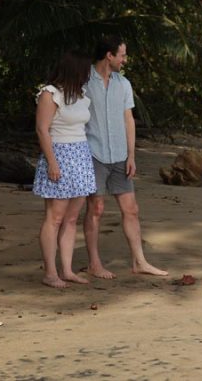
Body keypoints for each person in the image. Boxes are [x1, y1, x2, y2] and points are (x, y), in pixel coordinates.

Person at [83, 36, 167, 278]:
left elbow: (128, 120)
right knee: (96, 209)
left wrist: (131, 155)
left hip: (120, 155)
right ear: (109, 55)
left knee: (131, 209)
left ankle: (139, 262)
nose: (125, 59)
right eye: (122, 55)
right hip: (93, 154)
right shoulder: (83, 80)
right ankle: (94, 264)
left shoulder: (124, 84)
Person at [33, 50, 97, 288]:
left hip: (80, 155)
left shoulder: (81, 95)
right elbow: (42, 129)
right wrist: (52, 162)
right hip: (59, 153)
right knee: (55, 217)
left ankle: (67, 269)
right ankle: (50, 272)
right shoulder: (50, 93)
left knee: (71, 218)